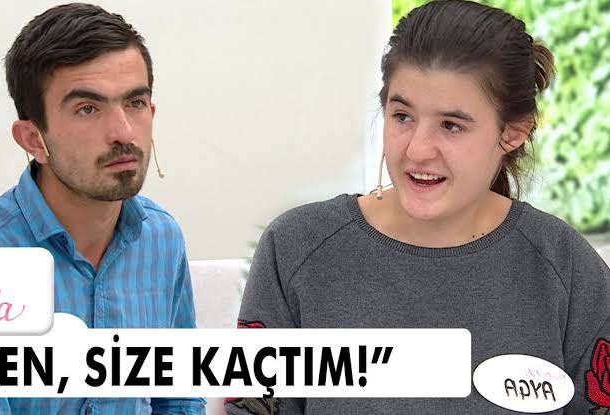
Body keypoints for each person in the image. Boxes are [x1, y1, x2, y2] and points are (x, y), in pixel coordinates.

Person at [226, 1, 610, 414]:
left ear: (513, 132)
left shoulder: (565, 266)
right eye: (402, 116)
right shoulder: (296, 248)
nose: (417, 150)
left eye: (451, 125)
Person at [0, 3, 205, 414]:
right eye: (87, 109)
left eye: (134, 103)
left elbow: (178, 399)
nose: (123, 133)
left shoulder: (161, 237)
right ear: (33, 139)